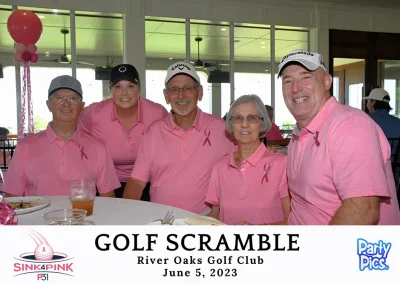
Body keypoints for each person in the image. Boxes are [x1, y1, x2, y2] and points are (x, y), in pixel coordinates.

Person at [278, 49, 400, 225]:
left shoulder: (350, 125)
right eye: (287, 81)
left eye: (306, 77)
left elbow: (363, 211)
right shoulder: (300, 132)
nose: (295, 88)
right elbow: (303, 212)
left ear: (327, 82)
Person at [124, 61, 235, 214]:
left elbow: (240, 171)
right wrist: (125, 218)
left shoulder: (221, 128)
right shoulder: (153, 132)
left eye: (188, 88)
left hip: (206, 219)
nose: (181, 95)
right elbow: (137, 181)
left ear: (200, 92)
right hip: (161, 219)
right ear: (166, 96)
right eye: (174, 89)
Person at [4, 75, 120, 197]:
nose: (66, 104)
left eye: (73, 99)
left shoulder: (98, 148)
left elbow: (108, 200)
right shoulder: (25, 146)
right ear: (48, 105)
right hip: (37, 216)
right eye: (59, 98)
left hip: (85, 216)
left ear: (82, 106)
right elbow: (12, 199)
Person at [79, 64, 168, 199]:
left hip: (147, 182)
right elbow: (79, 140)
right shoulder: (93, 113)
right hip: (107, 184)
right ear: (110, 91)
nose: (124, 93)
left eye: (131, 86)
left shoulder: (157, 112)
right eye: (118, 87)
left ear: (139, 90)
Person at [206, 95, 290, 225]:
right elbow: (215, 215)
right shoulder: (220, 167)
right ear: (231, 125)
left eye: (252, 118)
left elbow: (292, 221)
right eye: (238, 118)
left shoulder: (281, 164)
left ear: (262, 124)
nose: (244, 124)